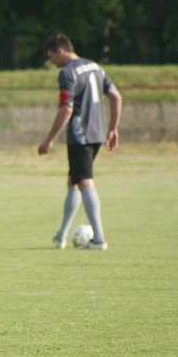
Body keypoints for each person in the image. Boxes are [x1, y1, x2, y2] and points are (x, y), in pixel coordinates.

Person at [38, 33, 123, 250]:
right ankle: (61, 236)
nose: (51, 63)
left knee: (84, 181)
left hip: (80, 134)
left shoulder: (67, 73)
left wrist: (49, 140)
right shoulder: (95, 67)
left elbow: (66, 108)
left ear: (60, 51)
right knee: (73, 181)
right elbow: (116, 96)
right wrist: (113, 128)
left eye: (51, 57)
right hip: (98, 133)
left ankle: (99, 240)